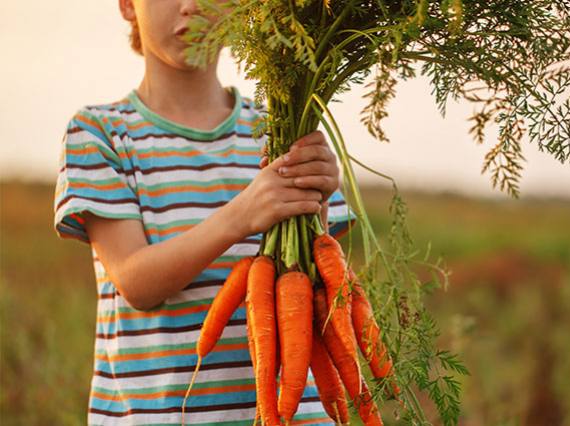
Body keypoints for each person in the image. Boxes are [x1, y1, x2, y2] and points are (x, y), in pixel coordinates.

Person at [53, 0, 356, 424]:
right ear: (126, 5)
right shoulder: (100, 133)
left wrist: (319, 197)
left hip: (294, 415)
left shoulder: (281, 125)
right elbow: (136, 282)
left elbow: (317, 280)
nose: (191, 5)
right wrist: (241, 216)